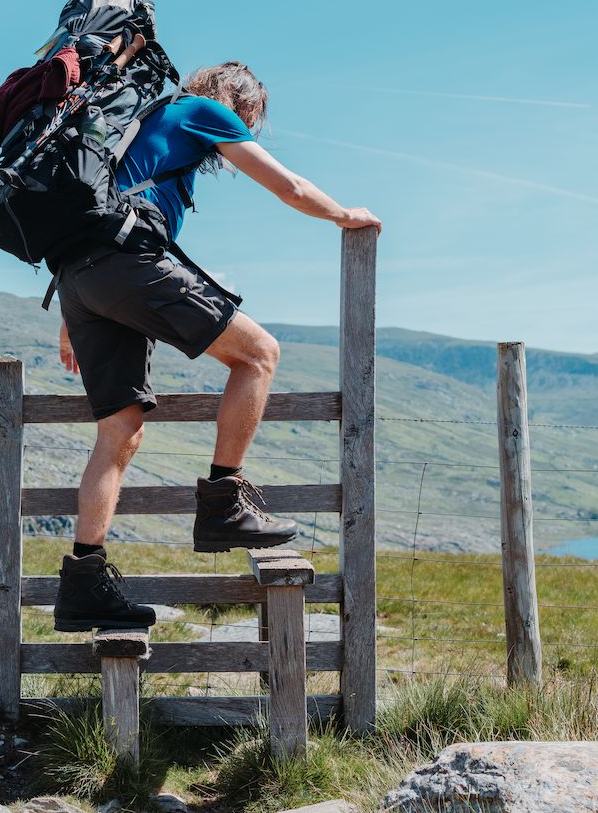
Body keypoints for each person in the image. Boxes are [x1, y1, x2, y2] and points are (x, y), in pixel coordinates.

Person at [51, 61, 382, 632]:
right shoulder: (204, 112)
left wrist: (74, 309)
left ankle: (83, 584)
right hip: (127, 266)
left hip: (82, 278)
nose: (247, 125)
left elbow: (90, 218)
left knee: (119, 432)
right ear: (239, 101)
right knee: (259, 354)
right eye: (250, 115)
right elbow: (290, 187)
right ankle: (224, 504)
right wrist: (344, 215)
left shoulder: (138, 124)